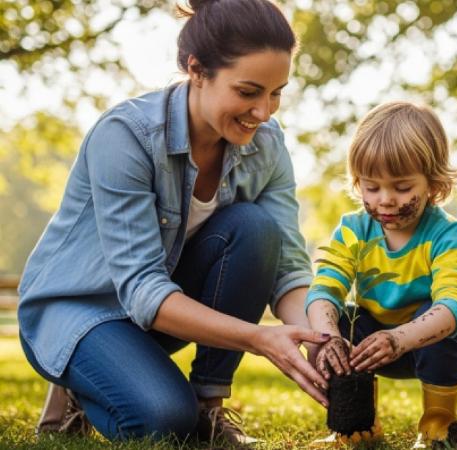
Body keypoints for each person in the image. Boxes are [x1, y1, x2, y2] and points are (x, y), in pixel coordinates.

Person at [16, 0, 330, 446]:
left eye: (277, 92)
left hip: (151, 311)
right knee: (163, 420)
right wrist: (260, 338)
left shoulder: (267, 146)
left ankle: (209, 407)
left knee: (257, 229)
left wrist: (320, 337)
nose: (264, 112)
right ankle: (81, 381)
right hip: (75, 310)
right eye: (248, 91)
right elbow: (144, 288)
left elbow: (289, 268)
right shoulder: (126, 136)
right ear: (197, 70)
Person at [306, 101, 457, 448]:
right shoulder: (354, 229)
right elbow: (324, 289)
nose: (385, 200)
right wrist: (330, 337)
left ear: (434, 185)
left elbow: (454, 304)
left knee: (440, 317)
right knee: (337, 324)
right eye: (372, 188)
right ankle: (358, 426)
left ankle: (437, 423)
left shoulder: (444, 233)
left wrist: (399, 339)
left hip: (431, 340)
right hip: (372, 341)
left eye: (402, 188)